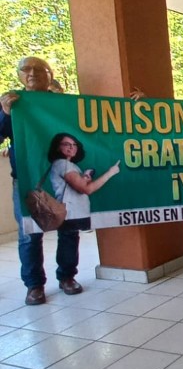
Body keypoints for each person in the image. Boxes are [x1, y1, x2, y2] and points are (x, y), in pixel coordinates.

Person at [0, 57, 140, 305]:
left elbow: (103, 123)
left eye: (39, 70)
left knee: (69, 230)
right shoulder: (12, 102)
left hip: (66, 180)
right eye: (26, 69)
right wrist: (5, 114)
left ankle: (67, 276)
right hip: (29, 181)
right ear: (19, 74)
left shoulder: (65, 105)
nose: (32, 74)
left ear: (50, 75)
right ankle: (34, 285)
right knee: (30, 234)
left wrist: (135, 108)